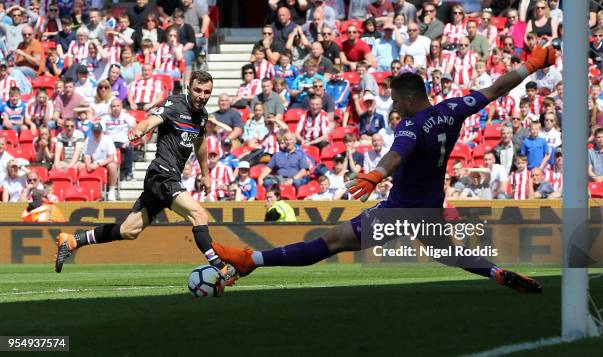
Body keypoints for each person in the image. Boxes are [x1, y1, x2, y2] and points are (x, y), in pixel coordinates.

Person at [211, 45, 559, 295]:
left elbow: (395, 155)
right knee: (448, 253)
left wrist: (375, 175)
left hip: (400, 210)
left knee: (329, 242)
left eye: (394, 100)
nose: (393, 106)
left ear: (408, 99)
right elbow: (496, 88)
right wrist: (531, 64)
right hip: (430, 208)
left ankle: (250, 259)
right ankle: (496, 271)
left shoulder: (410, 125)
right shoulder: (453, 110)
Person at [54, 70, 239, 285]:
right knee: (199, 215)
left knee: (128, 230)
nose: (202, 95)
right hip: (161, 174)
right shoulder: (175, 104)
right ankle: (221, 267)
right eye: (198, 90)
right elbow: (153, 119)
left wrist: (205, 174)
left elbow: (200, 144)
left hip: (168, 179)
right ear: (189, 88)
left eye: (207, 92)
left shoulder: (203, 115)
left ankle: (73, 240)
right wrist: (139, 129)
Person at [100, 99, 136, 181]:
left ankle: (129, 173)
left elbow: (135, 127)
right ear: (110, 108)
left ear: (121, 106)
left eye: (117, 106)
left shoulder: (126, 116)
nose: (115, 108)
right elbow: (101, 133)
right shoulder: (105, 118)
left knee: (129, 148)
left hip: (123, 141)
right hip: (109, 142)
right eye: (113, 106)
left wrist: (128, 141)